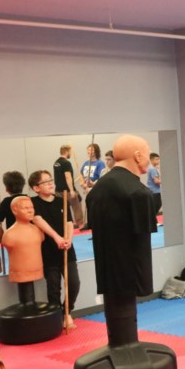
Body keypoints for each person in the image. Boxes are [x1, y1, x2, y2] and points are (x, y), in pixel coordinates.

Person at [86, 134, 158, 345]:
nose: (148, 157)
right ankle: (126, 348)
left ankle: (120, 345)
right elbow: (142, 240)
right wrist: (142, 279)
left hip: (107, 269)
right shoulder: (138, 192)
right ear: (137, 156)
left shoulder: (98, 189)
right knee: (124, 311)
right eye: (146, 153)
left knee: (117, 309)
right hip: (129, 270)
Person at [27, 170, 78, 329]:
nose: (50, 183)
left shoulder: (61, 201)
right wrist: (57, 238)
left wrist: (68, 239)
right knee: (54, 286)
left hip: (66, 248)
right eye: (45, 182)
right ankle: (56, 317)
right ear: (36, 188)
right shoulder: (33, 203)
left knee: (74, 282)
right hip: (48, 249)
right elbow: (38, 220)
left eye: (51, 180)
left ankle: (66, 311)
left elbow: (69, 222)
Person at [53, 144, 84, 229]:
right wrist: (71, 190)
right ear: (66, 151)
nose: (70, 153)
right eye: (70, 152)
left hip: (58, 190)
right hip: (67, 190)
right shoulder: (66, 162)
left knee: (63, 208)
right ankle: (80, 224)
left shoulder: (56, 163)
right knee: (76, 206)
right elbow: (68, 176)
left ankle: (66, 225)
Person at [80, 143, 105, 229]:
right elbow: (81, 174)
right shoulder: (86, 163)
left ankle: (96, 225)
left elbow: (102, 177)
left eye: (91, 150)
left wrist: (93, 183)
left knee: (95, 208)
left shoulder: (100, 163)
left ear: (96, 151)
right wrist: (83, 183)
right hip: (86, 188)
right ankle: (89, 224)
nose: (89, 151)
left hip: (95, 189)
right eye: (88, 150)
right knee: (88, 206)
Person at [146, 152, 163, 218]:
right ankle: (152, 219)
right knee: (156, 205)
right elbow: (156, 181)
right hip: (154, 191)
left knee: (156, 205)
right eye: (156, 159)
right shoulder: (152, 169)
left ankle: (153, 219)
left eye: (158, 159)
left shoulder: (153, 168)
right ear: (151, 160)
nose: (158, 161)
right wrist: (165, 182)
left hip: (155, 190)